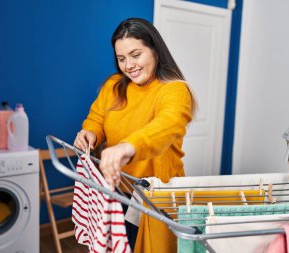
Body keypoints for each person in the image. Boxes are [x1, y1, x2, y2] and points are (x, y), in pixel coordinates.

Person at [73, 17, 197, 249]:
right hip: (117, 189)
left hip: (156, 198)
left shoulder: (175, 90)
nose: (128, 65)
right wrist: (90, 133)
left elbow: (167, 126)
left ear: (155, 51)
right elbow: (97, 118)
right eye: (121, 58)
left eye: (135, 55)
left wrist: (126, 148)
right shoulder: (113, 85)